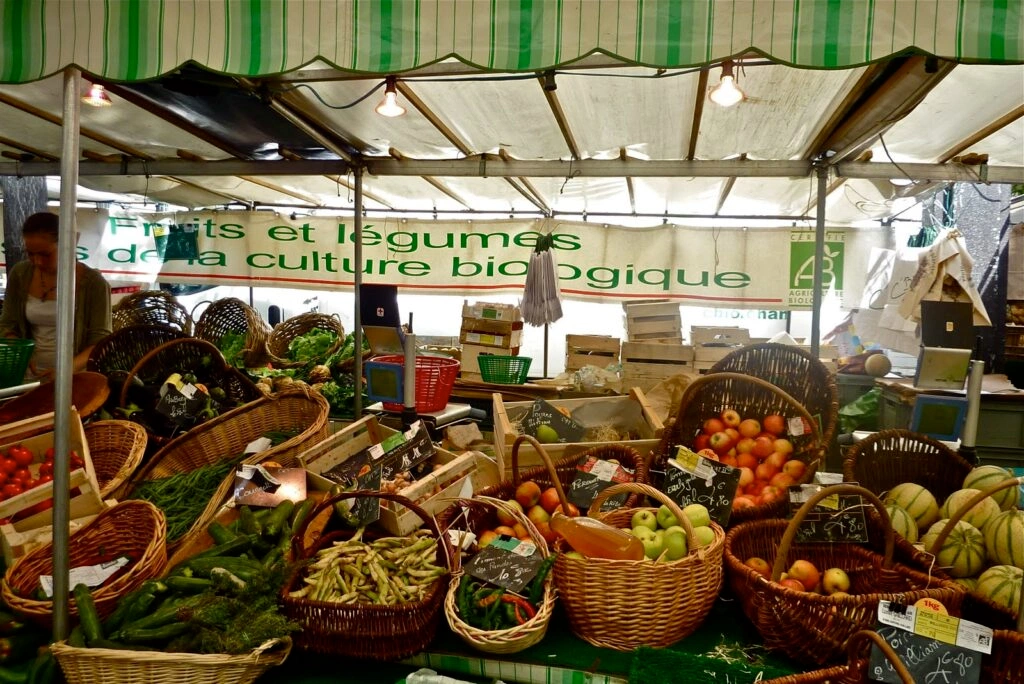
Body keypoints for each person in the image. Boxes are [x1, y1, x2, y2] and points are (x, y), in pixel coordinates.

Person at [0, 212, 112, 381]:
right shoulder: (20, 274)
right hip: (27, 376)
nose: (37, 261)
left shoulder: (94, 284)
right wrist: (19, 352)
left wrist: (66, 371)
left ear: (66, 245)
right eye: (30, 254)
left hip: (75, 379)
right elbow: (8, 324)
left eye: (45, 255)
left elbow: (100, 341)